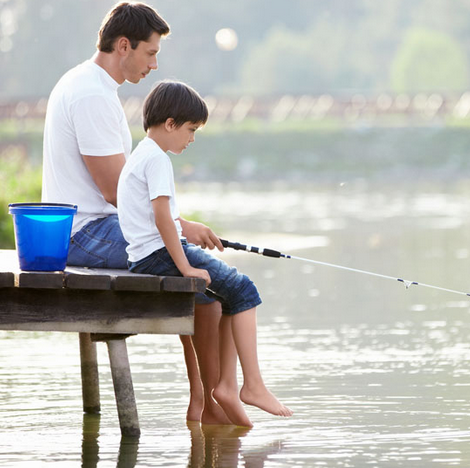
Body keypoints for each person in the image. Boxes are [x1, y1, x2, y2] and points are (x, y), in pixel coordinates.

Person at [40, 2, 235, 425]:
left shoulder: (87, 84)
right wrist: (180, 228)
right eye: (150, 52)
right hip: (86, 233)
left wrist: (181, 229)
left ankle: (205, 399)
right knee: (201, 274)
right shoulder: (92, 94)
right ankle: (206, 403)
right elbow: (116, 192)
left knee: (196, 268)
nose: (155, 63)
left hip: (89, 226)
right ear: (123, 45)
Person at [117, 80, 293, 424]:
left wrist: (188, 239)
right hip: (161, 255)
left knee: (231, 296)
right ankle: (251, 385)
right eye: (190, 129)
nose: (192, 138)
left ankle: (227, 386)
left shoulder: (141, 155)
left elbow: (159, 219)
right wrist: (184, 267)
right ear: (170, 124)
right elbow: (163, 219)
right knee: (245, 290)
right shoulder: (157, 160)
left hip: (145, 255)